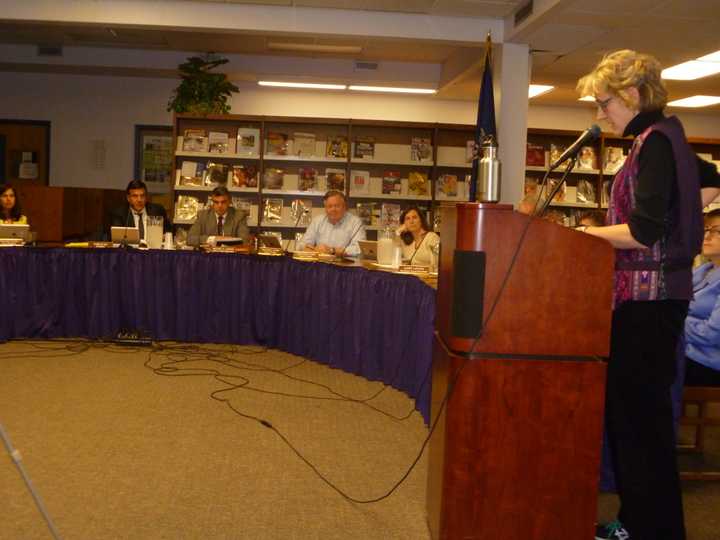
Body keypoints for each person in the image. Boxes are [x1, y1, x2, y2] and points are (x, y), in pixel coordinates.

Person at [575, 50, 720, 540]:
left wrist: (585, 235)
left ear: (633, 96)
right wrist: (685, 222)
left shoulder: (655, 142)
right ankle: (639, 525)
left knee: (641, 427)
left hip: (650, 306)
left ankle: (650, 530)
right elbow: (710, 181)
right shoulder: (660, 138)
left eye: (604, 103)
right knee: (636, 424)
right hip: (648, 303)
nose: (600, 113)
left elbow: (641, 230)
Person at [684, 209, 720, 386]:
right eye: (706, 229)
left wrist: (674, 322)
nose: (707, 236)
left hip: (707, 362)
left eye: (716, 231)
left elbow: (712, 334)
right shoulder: (702, 270)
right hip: (685, 350)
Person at [300, 190, 365, 257]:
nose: (333, 209)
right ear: (325, 208)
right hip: (320, 264)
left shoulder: (355, 223)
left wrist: (332, 250)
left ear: (344, 207)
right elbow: (302, 245)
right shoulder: (317, 221)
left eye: (337, 206)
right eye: (329, 206)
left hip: (345, 265)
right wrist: (312, 250)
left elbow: (359, 249)